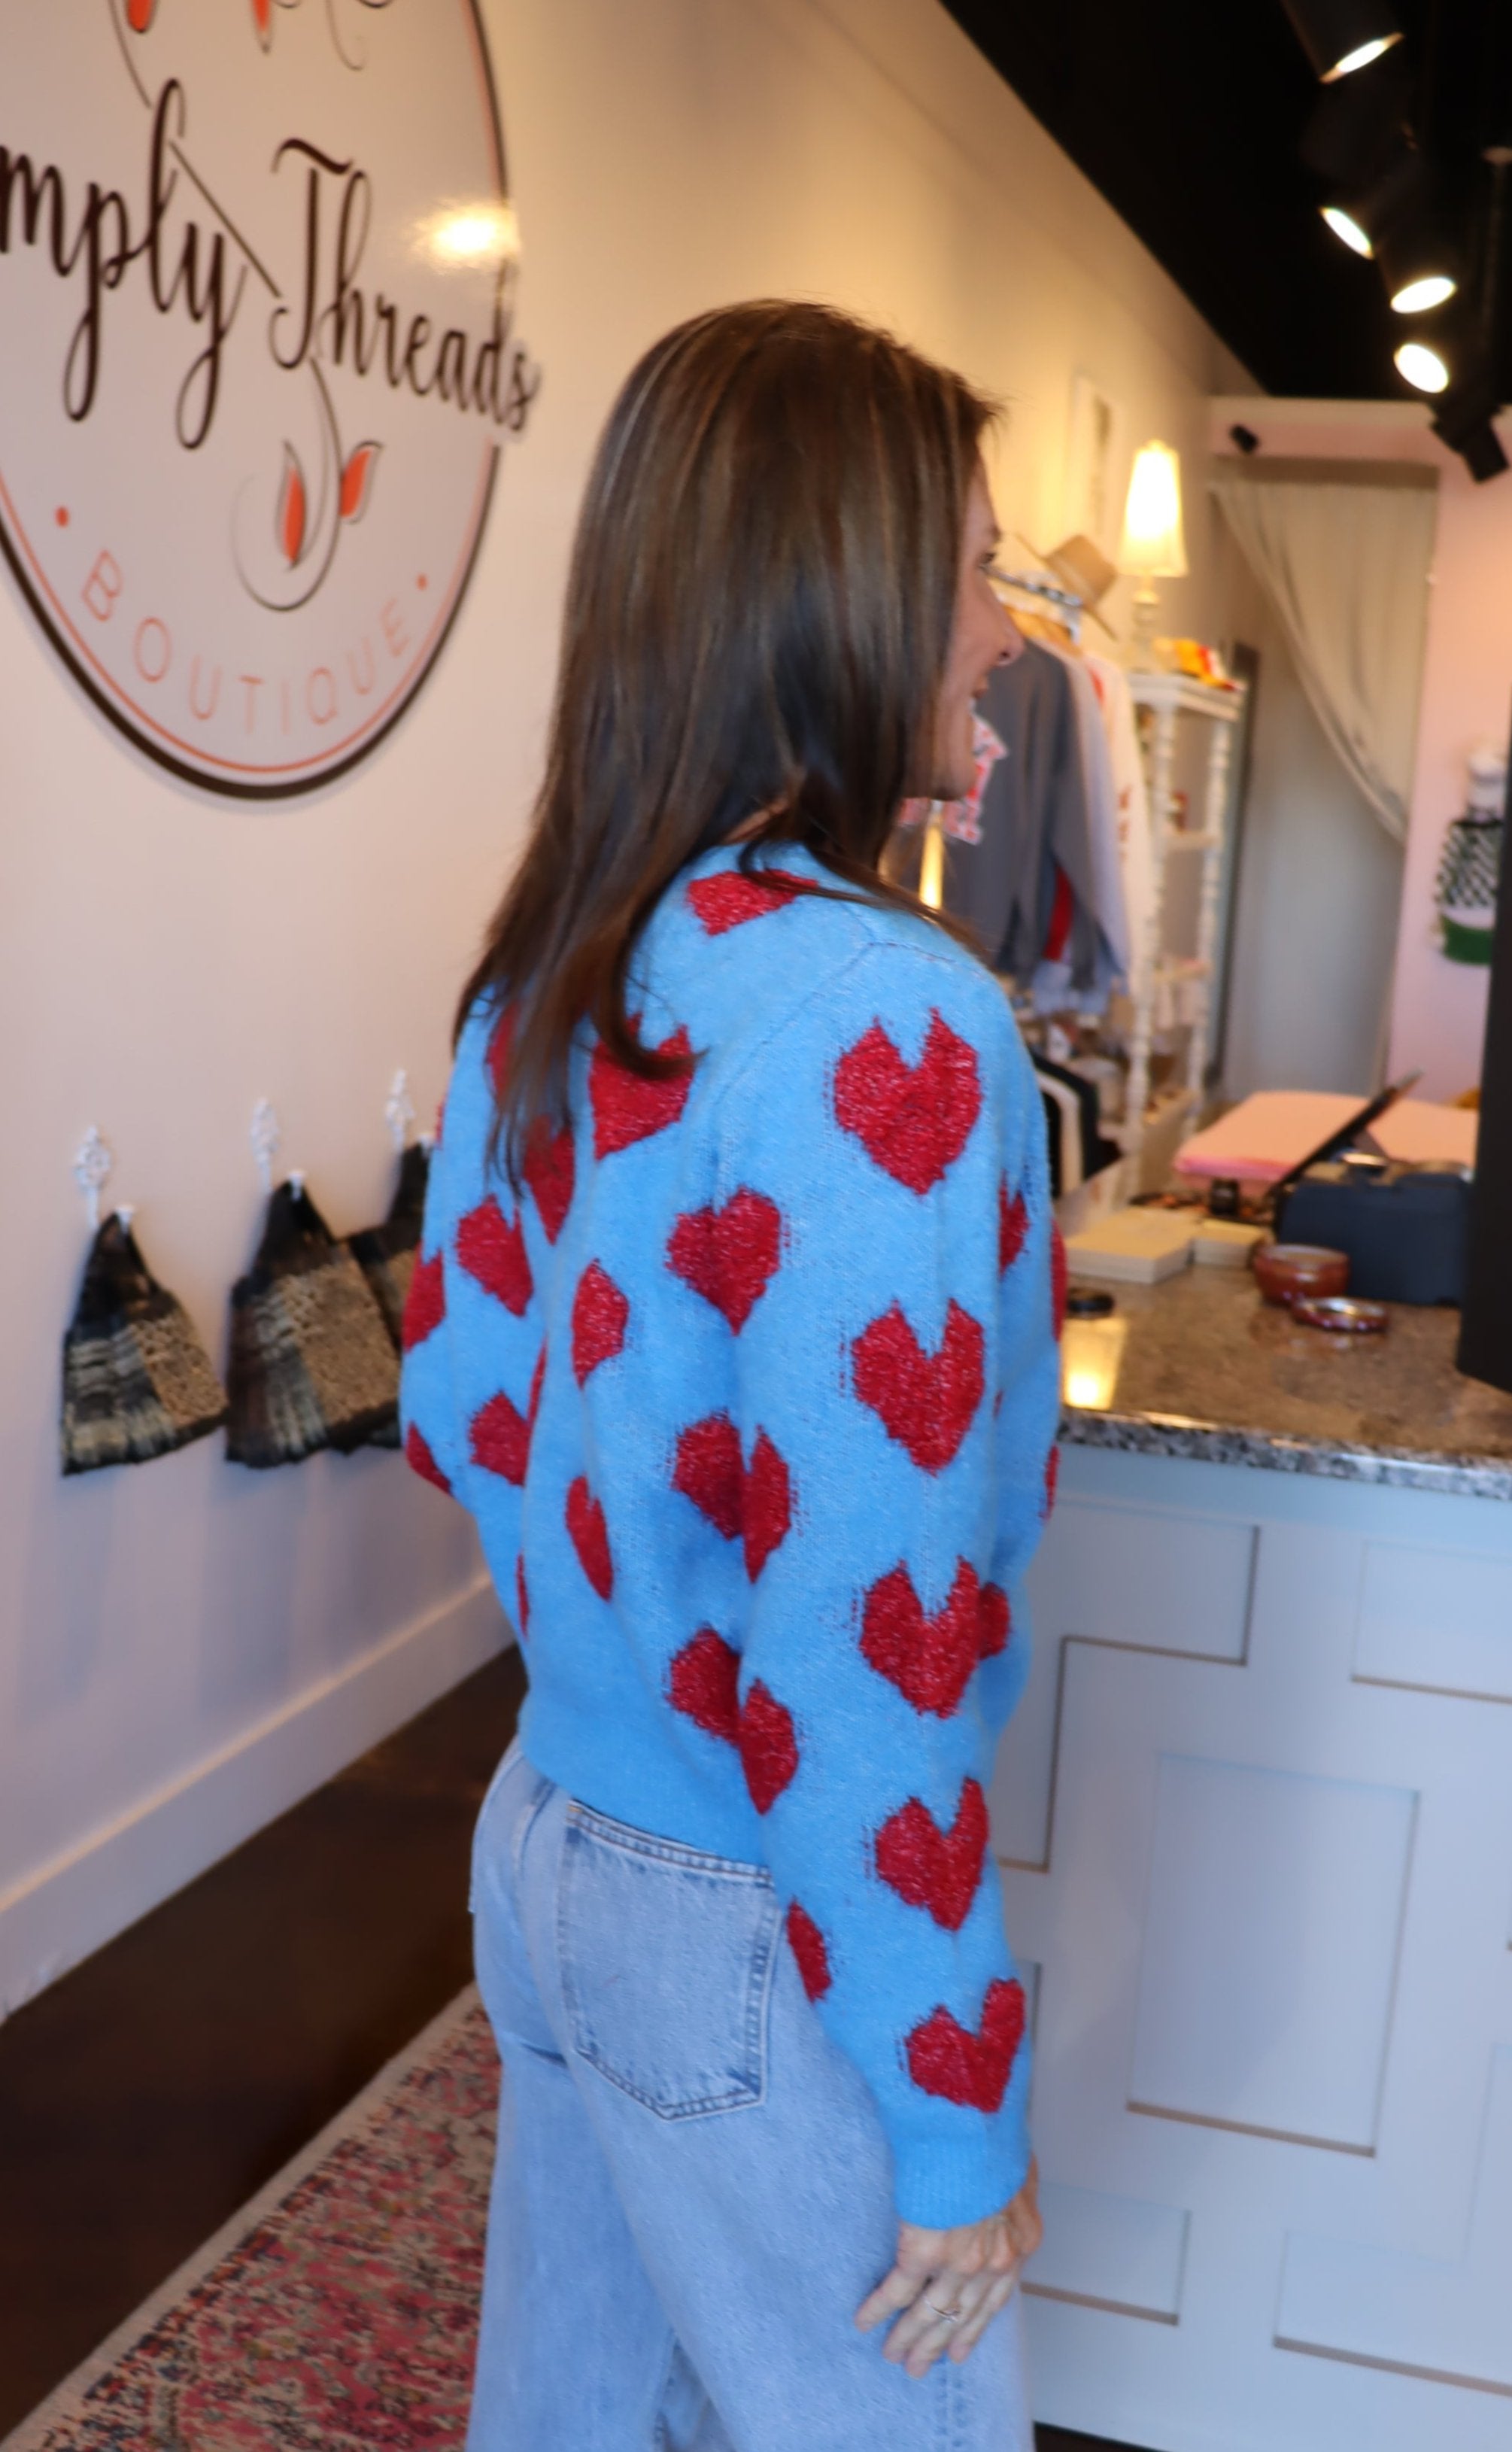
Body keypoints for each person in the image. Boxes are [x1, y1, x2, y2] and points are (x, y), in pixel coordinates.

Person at [401, 299, 1063, 2451]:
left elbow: (475, 1419)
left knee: (579, 2417)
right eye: (977, 564)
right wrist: (955, 2106)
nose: (1006, 627)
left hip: (558, 1837)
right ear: (842, 585)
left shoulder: (555, 961)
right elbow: (867, 1645)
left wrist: (610, 1702)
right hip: (757, 1919)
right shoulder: (895, 1024)